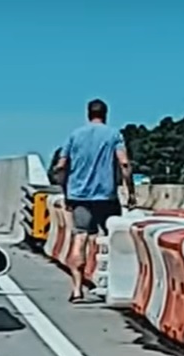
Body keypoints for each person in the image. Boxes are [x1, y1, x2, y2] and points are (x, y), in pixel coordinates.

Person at [52, 98, 136, 303]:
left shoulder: (74, 136)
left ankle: (77, 289)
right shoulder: (114, 135)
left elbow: (61, 166)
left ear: (88, 114)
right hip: (106, 196)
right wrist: (130, 192)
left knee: (80, 238)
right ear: (105, 114)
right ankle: (111, 286)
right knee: (111, 239)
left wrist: (65, 190)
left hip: (79, 195)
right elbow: (123, 163)